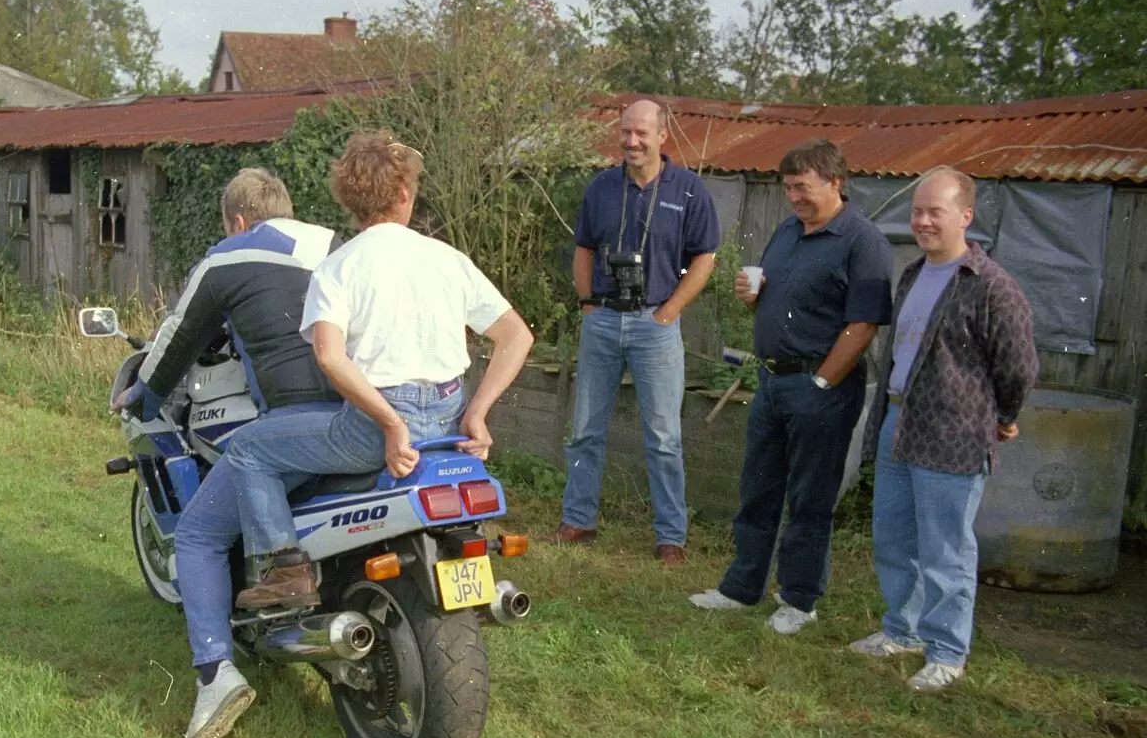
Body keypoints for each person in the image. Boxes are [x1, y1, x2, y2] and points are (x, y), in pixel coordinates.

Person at [220, 131, 536, 609]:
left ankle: (286, 570)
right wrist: (478, 412)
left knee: (247, 447)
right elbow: (516, 336)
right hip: (449, 425)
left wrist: (391, 424)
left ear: (348, 201)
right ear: (405, 193)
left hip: (372, 429)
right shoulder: (448, 259)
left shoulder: (340, 267)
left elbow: (328, 356)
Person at [111, 168, 341, 738]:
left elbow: (178, 341)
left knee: (197, 535)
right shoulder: (339, 245)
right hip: (368, 416)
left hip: (293, 423)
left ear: (237, 221)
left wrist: (143, 397)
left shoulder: (228, 258)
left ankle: (216, 675)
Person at [690, 139, 893, 635]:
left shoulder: (862, 241)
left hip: (820, 388)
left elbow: (864, 323)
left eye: (802, 187)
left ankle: (800, 600)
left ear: (836, 183)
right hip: (773, 381)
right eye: (788, 188)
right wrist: (749, 296)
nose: (793, 198)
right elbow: (770, 301)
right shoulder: (787, 232)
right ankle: (741, 589)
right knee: (757, 490)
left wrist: (824, 381)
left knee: (809, 499)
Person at [849, 167, 1037, 692]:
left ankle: (947, 652)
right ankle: (901, 631)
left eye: (936, 211)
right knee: (894, 536)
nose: (924, 221)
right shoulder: (912, 274)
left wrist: (1002, 417)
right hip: (897, 422)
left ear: (966, 216)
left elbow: (1018, 366)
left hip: (952, 434)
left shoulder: (992, 287)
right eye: (918, 211)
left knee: (946, 550)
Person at [558, 99, 719, 566]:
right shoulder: (602, 188)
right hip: (604, 319)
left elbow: (705, 259)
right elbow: (584, 248)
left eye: (641, 133)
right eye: (625, 132)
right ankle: (578, 519)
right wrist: (588, 304)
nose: (632, 141)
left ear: (662, 135)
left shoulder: (689, 191)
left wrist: (669, 312)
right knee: (585, 428)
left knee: (664, 436)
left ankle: (671, 536)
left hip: (656, 324)